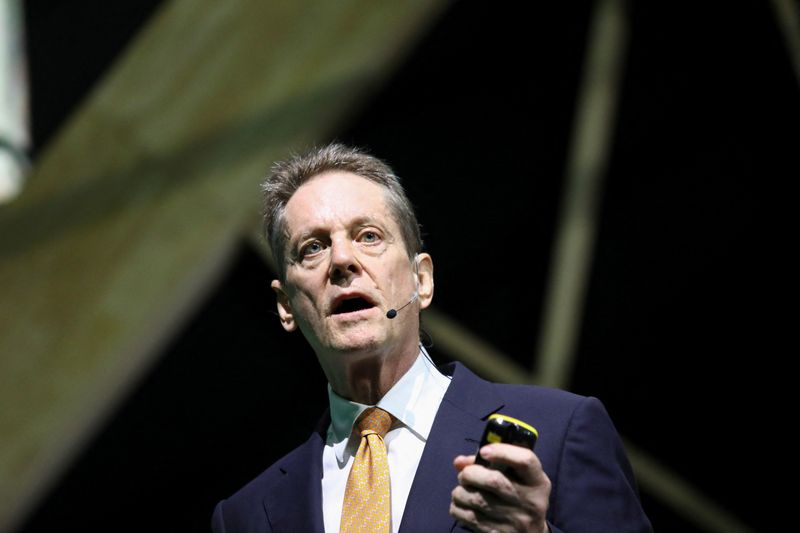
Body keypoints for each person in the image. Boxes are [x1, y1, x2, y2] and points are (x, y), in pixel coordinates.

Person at [211, 143, 652, 532]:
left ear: (422, 280)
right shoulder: (245, 516)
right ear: (285, 306)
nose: (342, 260)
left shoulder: (561, 429)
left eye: (369, 236)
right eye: (313, 248)